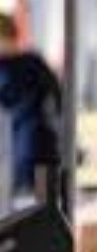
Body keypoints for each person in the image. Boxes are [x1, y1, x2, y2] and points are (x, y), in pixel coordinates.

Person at [0, 13, 60, 193]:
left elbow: (57, 97)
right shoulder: (28, 63)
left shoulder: (32, 63)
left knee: (35, 198)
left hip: (33, 143)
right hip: (13, 144)